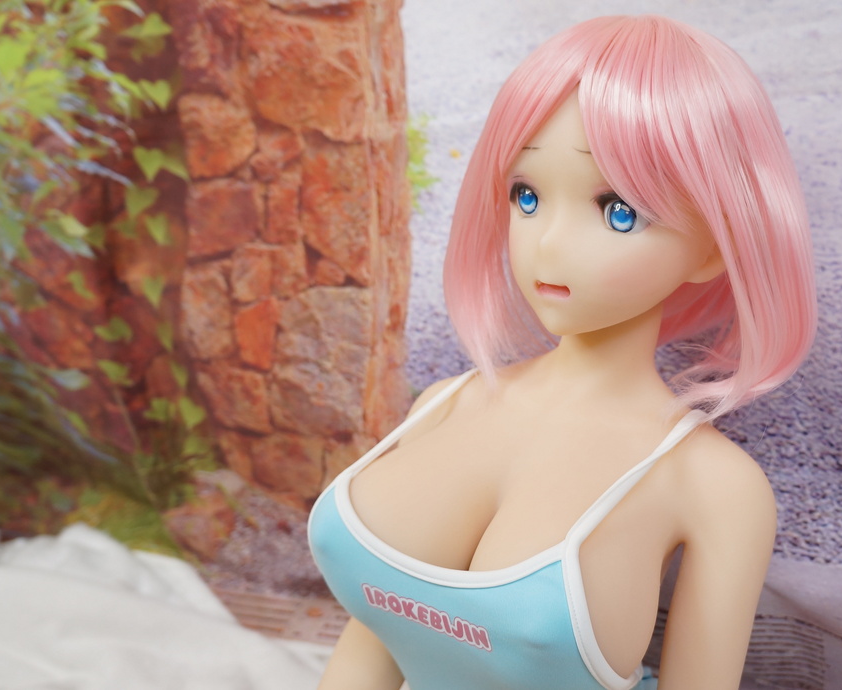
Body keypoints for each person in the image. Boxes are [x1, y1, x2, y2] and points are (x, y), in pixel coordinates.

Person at [307, 14, 816, 690]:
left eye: (618, 211)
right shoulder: (443, 404)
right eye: (527, 195)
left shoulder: (715, 488)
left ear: (712, 247)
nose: (547, 244)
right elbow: (373, 643)